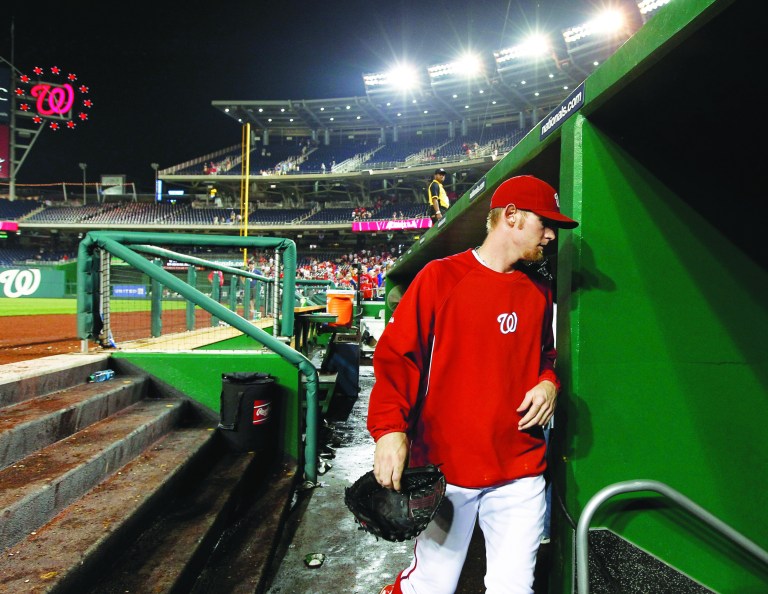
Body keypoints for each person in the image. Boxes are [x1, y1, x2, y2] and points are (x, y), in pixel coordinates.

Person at [368, 175, 578, 594]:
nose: (552, 235)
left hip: (519, 470)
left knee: (514, 588)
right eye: (546, 223)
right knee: (432, 585)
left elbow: (547, 358)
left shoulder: (539, 292)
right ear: (513, 217)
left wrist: (549, 382)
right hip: (448, 470)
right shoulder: (440, 278)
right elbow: (397, 359)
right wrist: (389, 430)